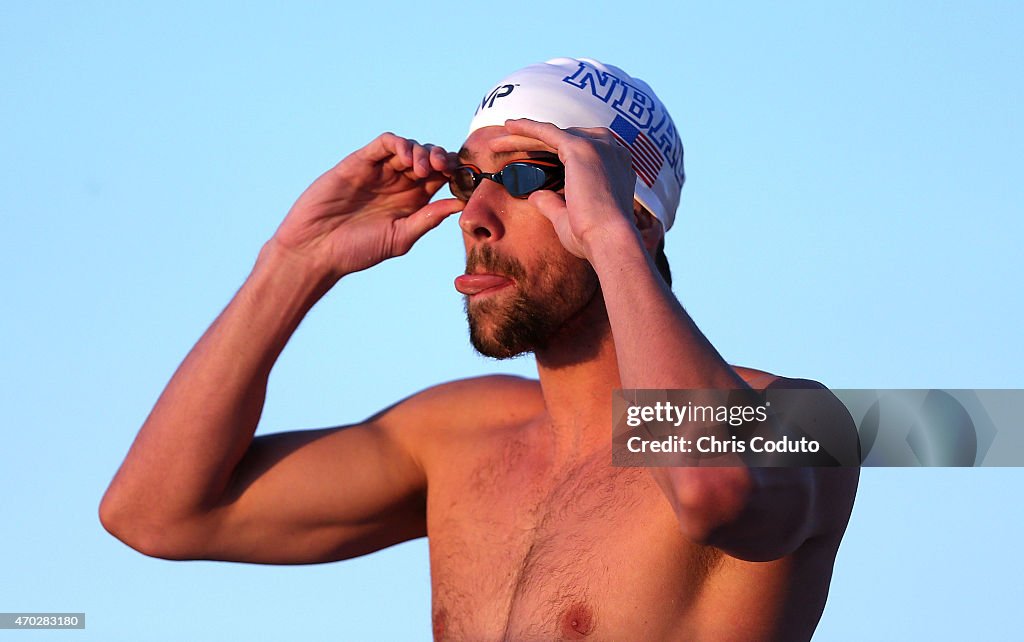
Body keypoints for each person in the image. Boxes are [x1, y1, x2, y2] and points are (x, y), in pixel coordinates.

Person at [100, 57, 858, 641]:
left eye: (527, 176)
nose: (475, 216)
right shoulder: (458, 437)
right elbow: (156, 514)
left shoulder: (800, 417)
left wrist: (608, 235)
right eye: (469, 179)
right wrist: (294, 263)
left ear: (637, 213)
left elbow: (708, 489)